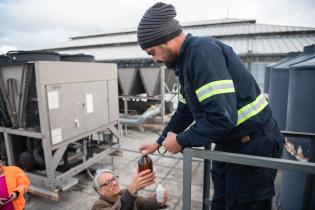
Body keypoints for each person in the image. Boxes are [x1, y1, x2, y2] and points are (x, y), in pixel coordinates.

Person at [137, 2, 284, 210]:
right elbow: (184, 111)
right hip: (231, 144)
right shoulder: (185, 63)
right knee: (221, 204)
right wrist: (160, 142)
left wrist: (181, 140)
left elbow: (222, 117)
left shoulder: (203, 54)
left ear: (166, 39)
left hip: (253, 147)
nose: (154, 59)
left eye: (152, 52)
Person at [91, 169, 168, 210]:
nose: (114, 183)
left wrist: (157, 200)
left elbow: (144, 205)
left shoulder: (123, 193)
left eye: (114, 178)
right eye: (108, 182)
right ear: (100, 191)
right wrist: (131, 189)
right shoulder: (98, 206)